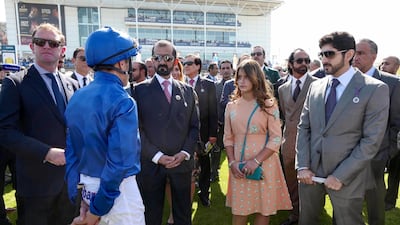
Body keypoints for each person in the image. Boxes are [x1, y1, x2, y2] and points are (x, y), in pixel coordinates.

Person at [296, 31, 389, 225]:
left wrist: (341, 175)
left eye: (329, 54)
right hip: (310, 175)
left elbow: (371, 141)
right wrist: (303, 165)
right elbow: (304, 128)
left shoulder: (374, 89)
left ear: (349, 55)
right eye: (321, 55)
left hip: (348, 177)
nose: (323, 60)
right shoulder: (315, 87)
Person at [0, 23, 79, 225]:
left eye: (52, 43)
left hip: (69, 184)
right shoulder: (16, 83)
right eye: (39, 42)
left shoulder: (72, 84)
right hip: (35, 186)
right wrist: (47, 152)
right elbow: (5, 131)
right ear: (32, 46)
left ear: (62, 50)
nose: (46, 46)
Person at [65, 26, 144, 225]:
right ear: (120, 62)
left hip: (89, 187)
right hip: (118, 194)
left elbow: (72, 152)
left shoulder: (77, 97)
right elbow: (120, 163)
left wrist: (83, 198)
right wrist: (96, 211)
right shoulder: (123, 101)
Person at [132, 40, 199, 225]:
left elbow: (194, 127)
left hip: (181, 165)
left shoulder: (188, 91)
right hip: (151, 166)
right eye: (157, 57)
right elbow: (136, 131)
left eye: (167, 58)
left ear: (175, 60)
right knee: (151, 215)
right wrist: (157, 156)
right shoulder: (138, 91)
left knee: (183, 215)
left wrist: (185, 153)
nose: (162, 61)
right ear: (152, 61)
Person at [224, 59, 292, 225]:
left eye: (246, 77)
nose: (241, 81)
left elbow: (276, 138)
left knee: (263, 209)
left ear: (257, 79)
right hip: (239, 164)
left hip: (264, 163)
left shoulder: (269, 105)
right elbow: (228, 138)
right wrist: (232, 162)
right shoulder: (231, 106)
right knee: (239, 211)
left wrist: (256, 161)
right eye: (239, 77)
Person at [352, 39, 400, 222]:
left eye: (361, 53)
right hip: (346, 154)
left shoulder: (393, 83)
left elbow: (397, 122)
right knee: (345, 205)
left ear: (374, 56)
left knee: (374, 206)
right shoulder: (347, 80)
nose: (356, 57)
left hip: (376, 157)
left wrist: (388, 153)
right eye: (354, 53)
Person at [278, 48, 318, 225]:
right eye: (300, 60)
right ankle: (295, 215)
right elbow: (285, 116)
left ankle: (309, 217)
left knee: (310, 184)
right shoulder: (282, 88)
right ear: (291, 64)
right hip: (287, 144)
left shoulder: (319, 84)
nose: (304, 64)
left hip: (310, 144)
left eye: (307, 60)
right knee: (292, 183)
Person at [184, 54, 218, 207]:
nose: (186, 66)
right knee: (186, 166)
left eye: (190, 63)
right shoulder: (179, 84)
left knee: (205, 166)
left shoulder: (209, 85)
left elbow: (213, 111)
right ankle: (185, 196)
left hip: (203, 134)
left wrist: (212, 135)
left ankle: (204, 194)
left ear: (198, 66)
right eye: (184, 63)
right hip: (183, 136)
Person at [211, 59, 234, 183]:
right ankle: (214, 173)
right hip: (220, 124)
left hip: (235, 126)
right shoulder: (215, 86)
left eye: (228, 68)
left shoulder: (238, 85)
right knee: (216, 152)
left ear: (232, 69)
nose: (225, 70)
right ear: (220, 70)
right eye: (223, 68)